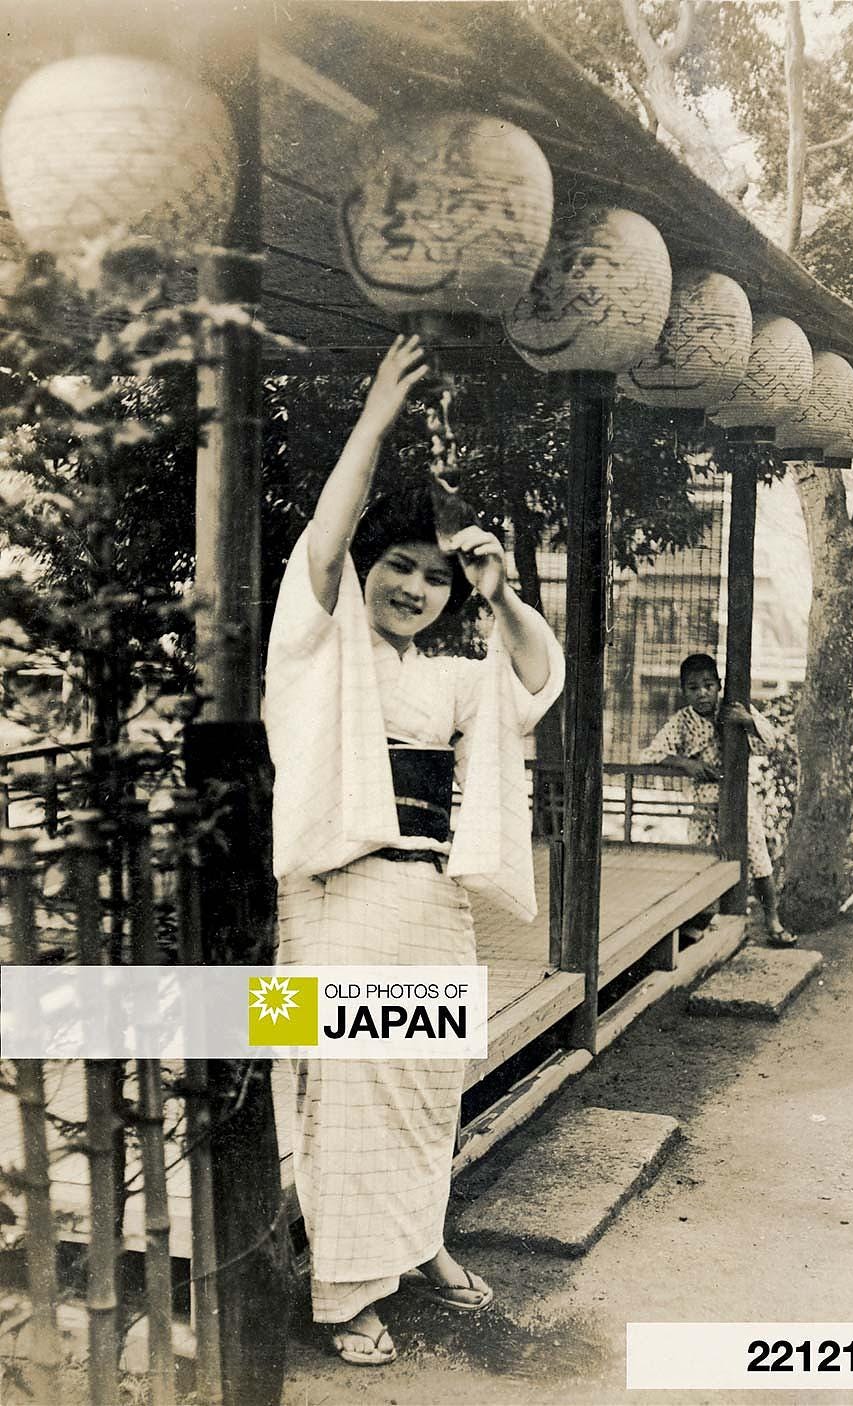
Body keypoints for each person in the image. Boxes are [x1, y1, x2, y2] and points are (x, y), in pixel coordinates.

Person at [264, 334, 564, 1365]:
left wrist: (499, 589)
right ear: (362, 567)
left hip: (429, 902)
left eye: (434, 577)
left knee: (429, 1079)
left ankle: (417, 1238)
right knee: (348, 1086)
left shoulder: (441, 673)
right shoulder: (315, 647)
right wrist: (377, 421)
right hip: (338, 897)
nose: (415, 588)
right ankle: (346, 1289)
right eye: (399, 565)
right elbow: (323, 535)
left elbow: (534, 680)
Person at [639, 652, 796, 947]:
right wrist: (686, 763)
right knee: (700, 857)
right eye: (693, 688)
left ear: (719, 685)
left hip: (739, 798)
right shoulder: (682, 721)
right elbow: (649, 754)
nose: (702, 694)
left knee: (758, 857)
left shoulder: (734, 707)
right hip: (704, 802)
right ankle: (697, 922)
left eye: (708, 685)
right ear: (683, 690)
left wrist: (746, 721)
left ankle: (773, 921)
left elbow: (772, 739)